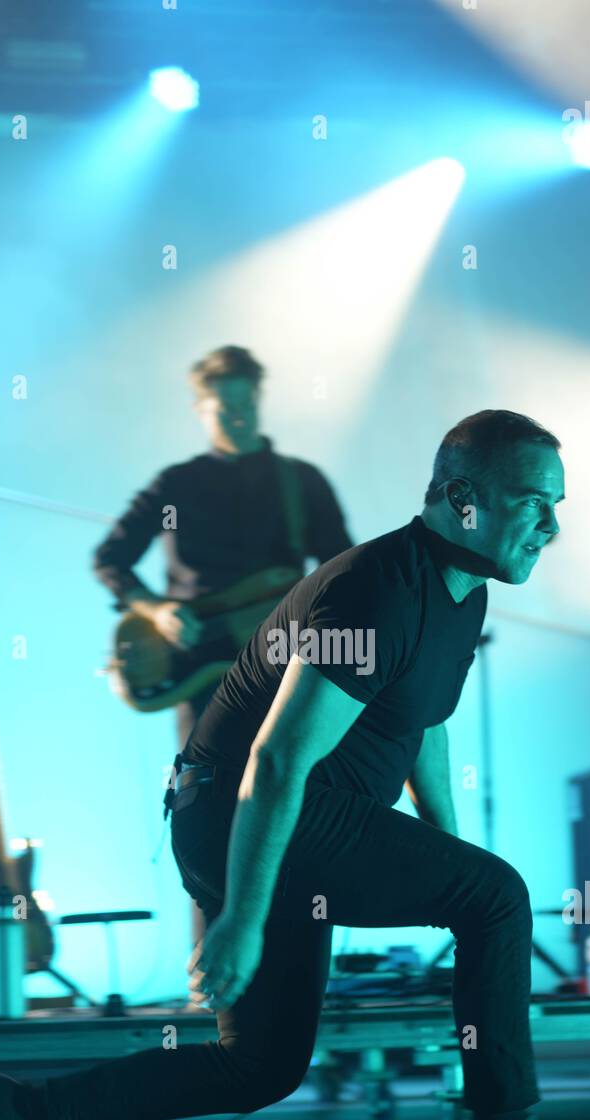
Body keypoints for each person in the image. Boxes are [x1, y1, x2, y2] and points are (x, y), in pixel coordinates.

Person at [0, 409, 590, 1120]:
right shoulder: (375, 590)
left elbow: (423, 722)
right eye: (533, 501)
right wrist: (242, 920)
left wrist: (450, 861)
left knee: (260, 1066)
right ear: (462, 496)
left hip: (293, 822)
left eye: (558, 506)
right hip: (250, 812)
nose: (550, 526)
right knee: (499, 896)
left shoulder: (461, 592)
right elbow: (278, 757)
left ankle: (16, 1112)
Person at [93, 344, 353, 944]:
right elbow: (110, 559)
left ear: (258, 400)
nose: (236, 416)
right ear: (199, 408)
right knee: (206, 813)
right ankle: (210, 968)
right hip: (198, 677)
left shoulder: (301, 483)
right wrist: (155, 610)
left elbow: (346, 571)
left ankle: (294, 959)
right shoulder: (176, 484)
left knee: (292, 799)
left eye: (245, 403)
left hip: (282, 670)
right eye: (222, 406)